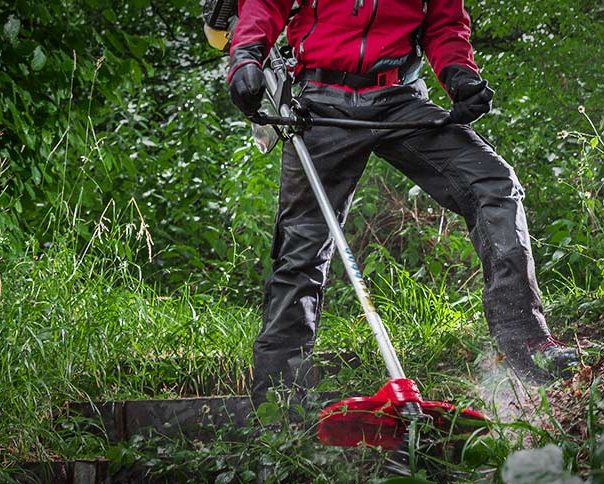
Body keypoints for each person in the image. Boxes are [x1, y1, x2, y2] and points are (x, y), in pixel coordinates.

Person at [225, 0, 581, 404]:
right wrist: (246, 56)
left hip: (401, 98)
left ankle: (527, 342)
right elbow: (264, 5)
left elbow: (445, 25)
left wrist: (460, 75)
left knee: (493, 185)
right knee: (300, 250)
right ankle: (279, 406)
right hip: (320, 103)